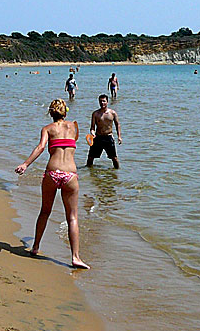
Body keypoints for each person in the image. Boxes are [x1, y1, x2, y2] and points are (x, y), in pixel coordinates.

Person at [15, 99, 89, 269]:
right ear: (65, 112)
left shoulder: (47, 129)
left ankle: (35, 247)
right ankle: (75, 257)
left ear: (50, 113)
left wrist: (25, 164)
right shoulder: (73, 127)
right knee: (72, 217)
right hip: (70, 175)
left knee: (45, 211)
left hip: (52, 173)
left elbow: (41, 147)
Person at [87, 94, 122, 169]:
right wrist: (92, 132)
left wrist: (119, 137)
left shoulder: (112, 113)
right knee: (90, 157)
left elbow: (117, 125)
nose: (102, 103)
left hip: (108, 137)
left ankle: (117, 172)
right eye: (100, 101)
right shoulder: (95, 114)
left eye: (104, 101)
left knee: (114, 158)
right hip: (98, 137)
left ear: (107, 102)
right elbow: (92, 127)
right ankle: (88, 172)